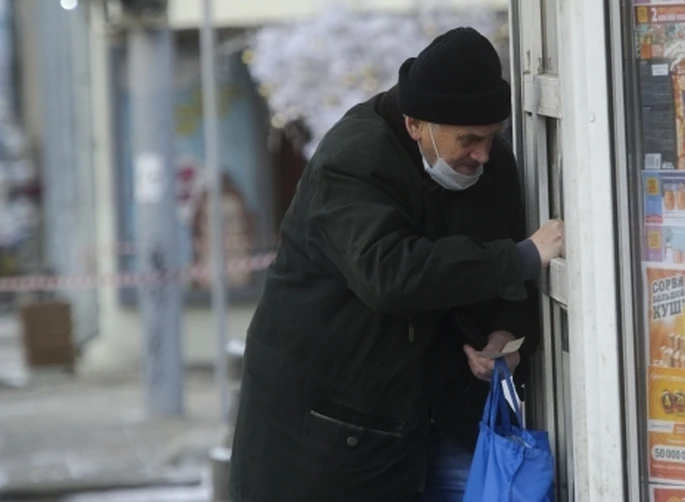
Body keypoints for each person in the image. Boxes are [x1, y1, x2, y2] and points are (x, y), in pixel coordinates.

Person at [229, 27, 565, 501]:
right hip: (329, 431)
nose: (483, 154)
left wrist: (506, 337)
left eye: (493, 137)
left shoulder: (489, 166)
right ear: (415, 125)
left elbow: (506, 283)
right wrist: (523, 256)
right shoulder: (352, 161)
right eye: (469, 140)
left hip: (440, 414)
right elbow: (391, 274)